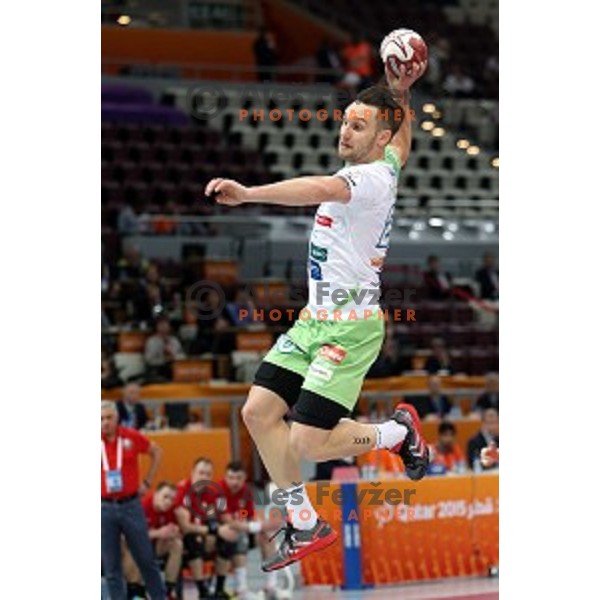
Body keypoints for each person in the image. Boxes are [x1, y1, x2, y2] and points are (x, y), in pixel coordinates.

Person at [204, 61, 430, 571]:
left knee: (306, 440)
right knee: (257, 413)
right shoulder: (387, 161)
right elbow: (402, 145)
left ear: (376, 139)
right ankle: (304, 522)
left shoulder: (366, 179)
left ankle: (395, 434)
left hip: (350, 327)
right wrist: (400, 94)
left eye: (357, 126)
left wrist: (248, 194)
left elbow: (318, 189)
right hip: (313, 320)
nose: (345, 131)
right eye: (345, 121)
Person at [101, 400, 165, 600]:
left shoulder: (130, 437)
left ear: (117, 418)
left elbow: (157, 452)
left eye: (109, 418)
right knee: (111, 567)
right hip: (103, 508)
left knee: (146, 560)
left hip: (130, 505)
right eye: (101, 419)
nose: (105, 423)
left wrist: (147, 481)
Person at [214, 461, 284, 599]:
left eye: (238, 478)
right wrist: (261, 525)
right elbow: (226, 520)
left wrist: (262, 528)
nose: (234, 482)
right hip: (220, 533)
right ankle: (241, 589)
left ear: (245, 477)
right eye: (231, 478)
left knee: (267, 536)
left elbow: (248, 517)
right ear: (225, 477)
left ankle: (271, 585)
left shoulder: (246, 490)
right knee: (236, 534)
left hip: (241, 528)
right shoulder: (219, 490)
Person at [173, 457, 239, 599]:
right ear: (192, 472)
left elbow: (223, 516)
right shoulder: (182, 490)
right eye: (201, 473)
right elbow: (185, 527)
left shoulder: (212, 491)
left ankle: (219, 589)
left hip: (203, 534)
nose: (204, 477)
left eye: (208, 474)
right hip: (181, 538)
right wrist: (214, 531)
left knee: (227, 539)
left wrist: (233, 527)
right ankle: (203, 591)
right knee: (193, 540)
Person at [124, 482, 183, 599]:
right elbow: (130, 535)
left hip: (154, 547)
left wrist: (174, 532)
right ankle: (135, 592)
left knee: (177, 544)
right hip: (133, 547)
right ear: (156, 494)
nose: (168, 502)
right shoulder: (141, 507)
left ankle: (168, 590)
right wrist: (158, 533)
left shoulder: (170, 510)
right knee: (136, 545)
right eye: (165, 497)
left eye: (172, 499)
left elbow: (177, 532)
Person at [144, 315, 186, 382]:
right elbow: (149, 360)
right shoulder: (151, 341)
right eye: (161, 324)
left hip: (174, 368)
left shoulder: (174, 340)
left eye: (166, 324)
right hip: (157, 370)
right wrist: (164, 359)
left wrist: (173, 356)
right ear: (156, 326)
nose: (164, 326)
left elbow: (182, 356)